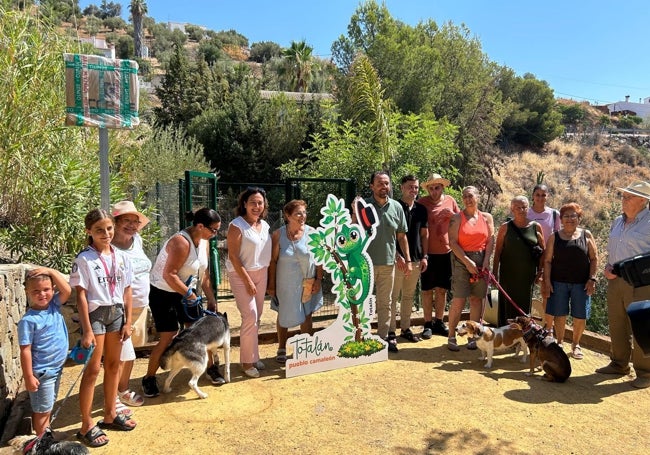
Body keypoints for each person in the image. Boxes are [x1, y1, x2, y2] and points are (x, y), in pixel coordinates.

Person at [70, 209, 136, 448]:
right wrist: (87, 329)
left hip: (117, 312)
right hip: (96, 315)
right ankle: (86, 424)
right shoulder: (84, 259)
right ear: (89, 231)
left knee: (113, 365)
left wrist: (128, 321)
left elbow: (127, 290)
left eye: (109, 228)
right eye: (99, 230)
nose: (106, 234)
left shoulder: (121, 257)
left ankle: (109, 414)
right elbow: (82, 295)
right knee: (93, 370)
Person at [142, 208, 220, 397]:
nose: (215, 234)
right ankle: (149, 378)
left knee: (200, 332)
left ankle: (211, 368)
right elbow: (169, 275)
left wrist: (211, 298)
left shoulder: (204, 242)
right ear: (200, 226)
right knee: (169, 335)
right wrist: (190, 295)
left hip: (185, 291)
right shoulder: (180, 242)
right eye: (213, 230)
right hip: (163, 292)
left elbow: (204, 274)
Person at [597, 181, 650, 389]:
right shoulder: (618, 221)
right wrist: (608, 267)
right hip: (616, 280)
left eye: (629, 197)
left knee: (641, 325)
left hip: (642, 283)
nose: (624, 200)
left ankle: (645, 373)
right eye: (624, 196)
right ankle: (619, 364)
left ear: (643, 201)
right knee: (617, 323)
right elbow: (613, 249)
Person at [267, 200, 323, 363]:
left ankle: (306, 347)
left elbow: (320, 260)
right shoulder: (278, 235)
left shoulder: (313, 233)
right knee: (283, 313)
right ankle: (282, 348)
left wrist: (319, 279)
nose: (302, 216)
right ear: (287, 216)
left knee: (307, 315)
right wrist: (271, 284)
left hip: (308, 281)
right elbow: (273, 261)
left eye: (304, 213)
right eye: (298, 213)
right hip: (285, 283)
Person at [361, 171, 411, 353]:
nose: (384, 187)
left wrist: (407, 259)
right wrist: (353, 211)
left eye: (387, 183)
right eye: (380, 184)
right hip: (364, 264)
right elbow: (352, 229)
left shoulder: (397, 207)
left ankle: (382, 339)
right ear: (372, 186)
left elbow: (402, 236)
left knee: (385, 303)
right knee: (362, 302)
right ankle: (360, 337)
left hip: (388, 264)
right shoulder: (363, 206)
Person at [18, 268, 72, 436]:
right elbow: (25, 350)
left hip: (55, 369)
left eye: (46, 289)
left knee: (46, 406)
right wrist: (28, 376)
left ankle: (45, 434)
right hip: (43, 372)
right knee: (42, 410)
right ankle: (42, 443)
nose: (42, 294)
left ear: (53, 289)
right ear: (27, 292)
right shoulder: (28, 321)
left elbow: (68, 290)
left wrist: (50, 271)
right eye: (36, 291)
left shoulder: (54, 305)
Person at [542, 203, 598, 359]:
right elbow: (547, 261)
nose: (569, 219)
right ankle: (560, 342)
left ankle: (576, 344)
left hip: (581, 283)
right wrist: (547, 281)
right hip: (558, 282)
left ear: (579, 218)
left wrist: (592, 278)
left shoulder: (586, 235)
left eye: (573, 215)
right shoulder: (555, 237)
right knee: (560, 314)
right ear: (561, 219)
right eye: (566, 216)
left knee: (580, 315)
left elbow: (594, 258)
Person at [226, 187, 272, 378]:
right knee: (250, 315)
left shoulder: (265, 225)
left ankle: (253, 356)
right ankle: (246, 363)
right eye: (252, 202)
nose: (256, 206)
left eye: (260, 202)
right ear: (244, 204)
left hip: (262, 273)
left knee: (257, 316)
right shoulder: (236, 226)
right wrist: (247, 281)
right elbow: (234, 257)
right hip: (241, 275)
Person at [111, 201, 151, 410]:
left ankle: (122, 390)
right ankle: (114, 398)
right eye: (126, 220)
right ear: (116, 222)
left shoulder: (138, 240)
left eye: (135, 221)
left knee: (131, 353)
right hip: (120, 308)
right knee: (118, 356)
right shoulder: (108, 246)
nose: (132, 225)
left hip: (140, 306)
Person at [447, 186, 495, 351]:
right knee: (459, 299)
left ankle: (473, 336)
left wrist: (487, 259)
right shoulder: (456, 218)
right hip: (461, 260)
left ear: (477, 197)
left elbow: (490, 240)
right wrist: (467, 261)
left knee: (476, 299)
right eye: (464, 197)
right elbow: (452, 242)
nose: (467, 199)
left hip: (481, 260)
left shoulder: (487, 217)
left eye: (470, 196)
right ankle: (452, 335)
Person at [416, 173, 459, 338]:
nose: (434, 191)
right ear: (427, 189)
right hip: (427, 253)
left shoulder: (450, 201)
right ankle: (427, 323)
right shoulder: (421, 203)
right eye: (431, 188)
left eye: (437, 188)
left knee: (442, 289)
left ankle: (439, 322)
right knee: (427, 290)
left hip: (446, 252)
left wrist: (452, 216)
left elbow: (460, 220)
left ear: (443, 187)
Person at [493, 196, 545, 326]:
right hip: (507, 274)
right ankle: (505, 336)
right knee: (506, 304)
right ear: (512, 209)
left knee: (523, 306)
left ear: (528, 208)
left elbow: (543, 251)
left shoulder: (536, 227)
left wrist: (540, 271)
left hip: (527, 276)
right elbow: (498, 251)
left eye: (524, 207)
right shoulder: (505, 227)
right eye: (518, 207)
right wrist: (494, 272)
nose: (521, 210)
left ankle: (521, 338)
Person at [391, 175, 428, 343]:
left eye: (416, 187)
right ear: (401, 188)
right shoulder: (393, 207)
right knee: (392, 297)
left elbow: (424, 235)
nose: (413, 190)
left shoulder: (421, 209)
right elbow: (389, 236)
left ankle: (405, 328)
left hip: (415, 260)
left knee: (408, 296)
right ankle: (390, 331)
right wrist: (397, 256)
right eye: (410, 187)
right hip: (396, 260)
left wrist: (424, 256)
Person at [527, 183, 561, 317]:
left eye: (543, 195)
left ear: (547, 197)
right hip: (528, 256)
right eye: (537, 195)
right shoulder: (526, 212)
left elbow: (558, 236)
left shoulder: (554, 214)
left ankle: (545, 324)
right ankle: (525, 322)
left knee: (546, 291)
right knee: (526, 289)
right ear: (533, 196)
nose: (540, 198)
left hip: (548, 258)